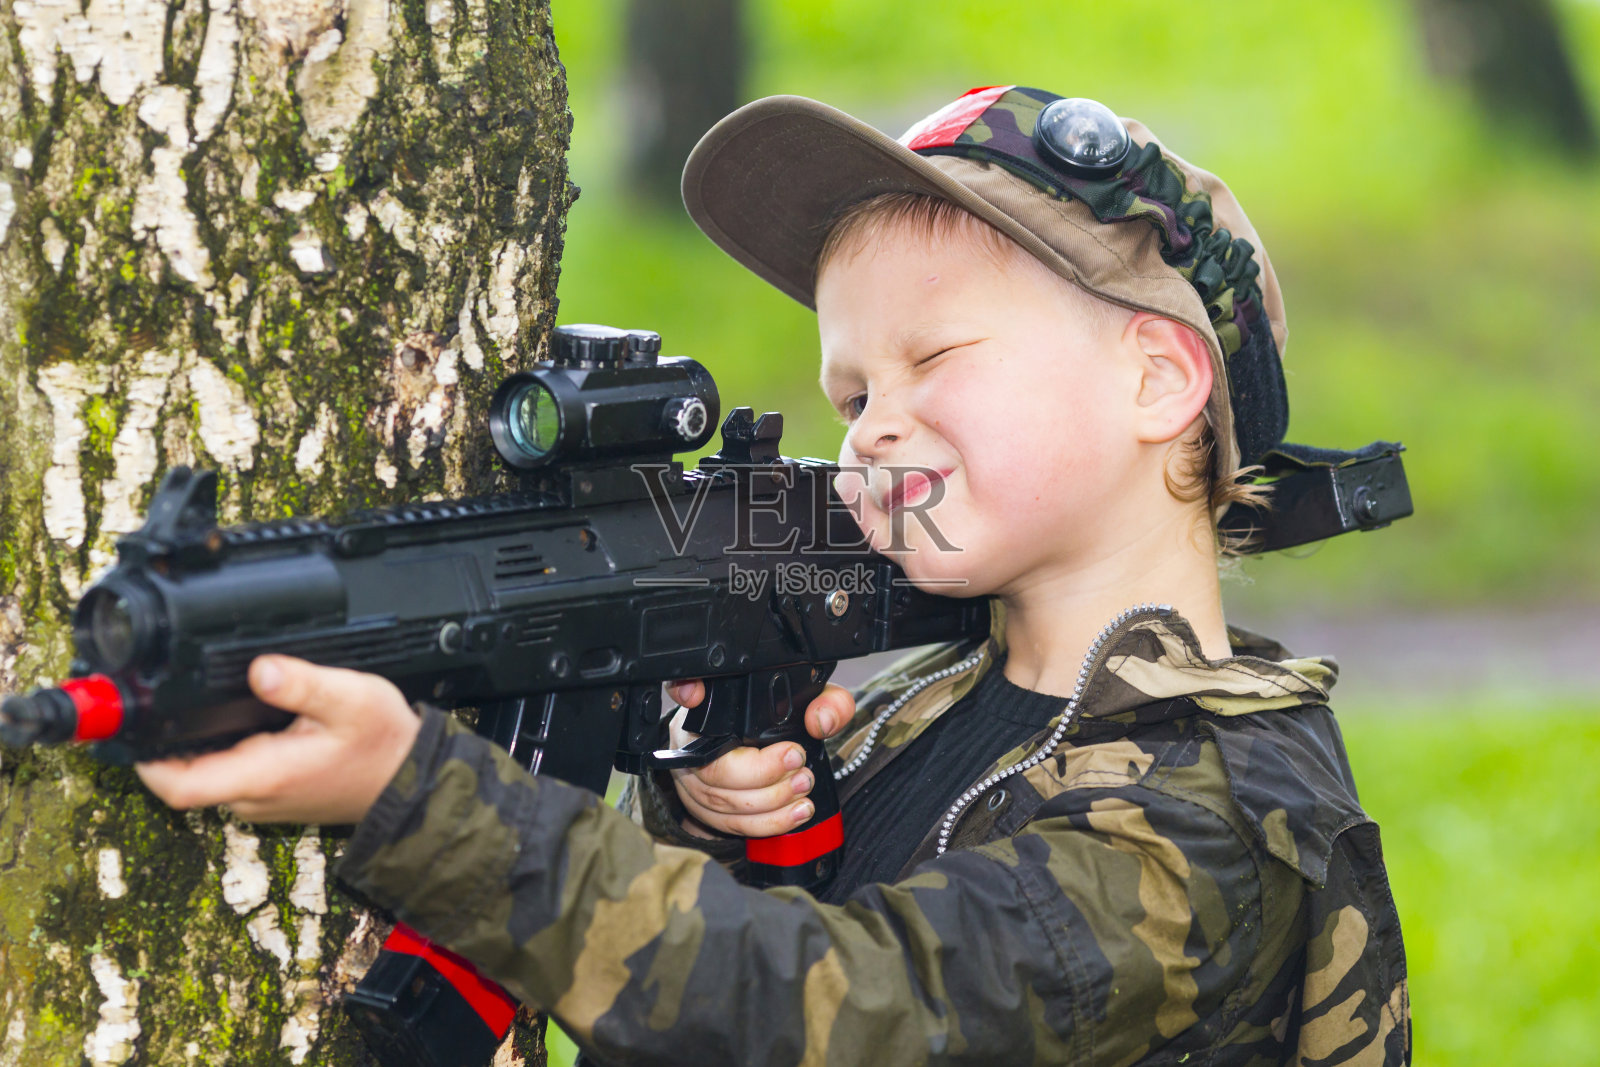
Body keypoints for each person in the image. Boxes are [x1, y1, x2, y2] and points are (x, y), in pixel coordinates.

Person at [136, 87, 1410, 1065]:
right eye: (851, 394)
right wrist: (722, 836)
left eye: (932, 358)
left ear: (1156, 380)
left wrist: (428, 808)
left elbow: (848, 1010)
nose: (870, 429)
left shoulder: (1226, 812)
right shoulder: (924, 709)